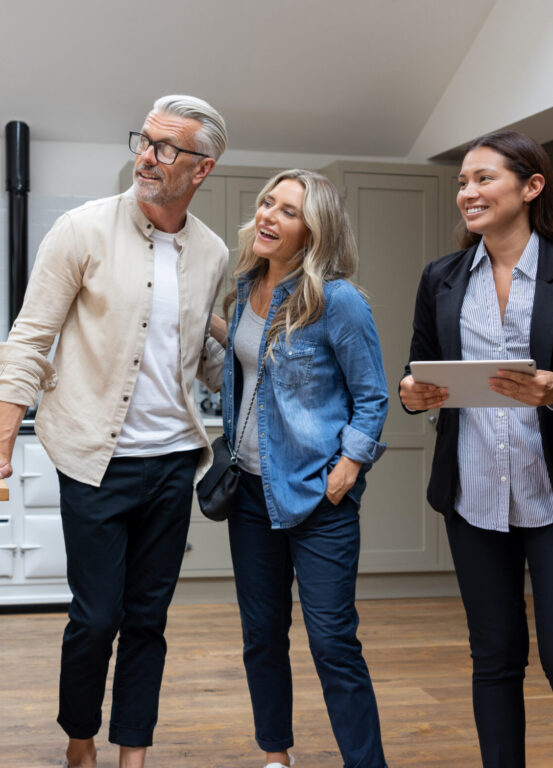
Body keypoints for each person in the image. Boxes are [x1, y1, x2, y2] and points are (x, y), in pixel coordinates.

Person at [0, 95, 229, 768]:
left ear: (202, 168)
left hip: (173, 461)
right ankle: (80, 738)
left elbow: (202, 356)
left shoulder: (212, 252)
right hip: (94, 459)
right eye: (145, 140)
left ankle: (134, 750)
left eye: (166, 148)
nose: (147, 157)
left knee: (148, 621)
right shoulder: (82, 230)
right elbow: (29, 339)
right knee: (97, 617)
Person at [400, 131, 553, 767]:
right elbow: (417, 371)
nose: (467, 192)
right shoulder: (442, 278)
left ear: (531, 187)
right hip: (474, 497)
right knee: (495, 661)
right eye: (462, 182)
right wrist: (412, 394)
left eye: (483, 179)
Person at [207, 169, 389, 768]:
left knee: (333, 642)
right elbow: (249, 368)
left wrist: (347, 469)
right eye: (267, 203)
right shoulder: (244, 288)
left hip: (318, 497)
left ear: (314, 231)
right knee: (262, 638)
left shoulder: (338, 301)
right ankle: (276, 756)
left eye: (287, 211)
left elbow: (373, 396)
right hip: (251, 495)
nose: (268, 216)